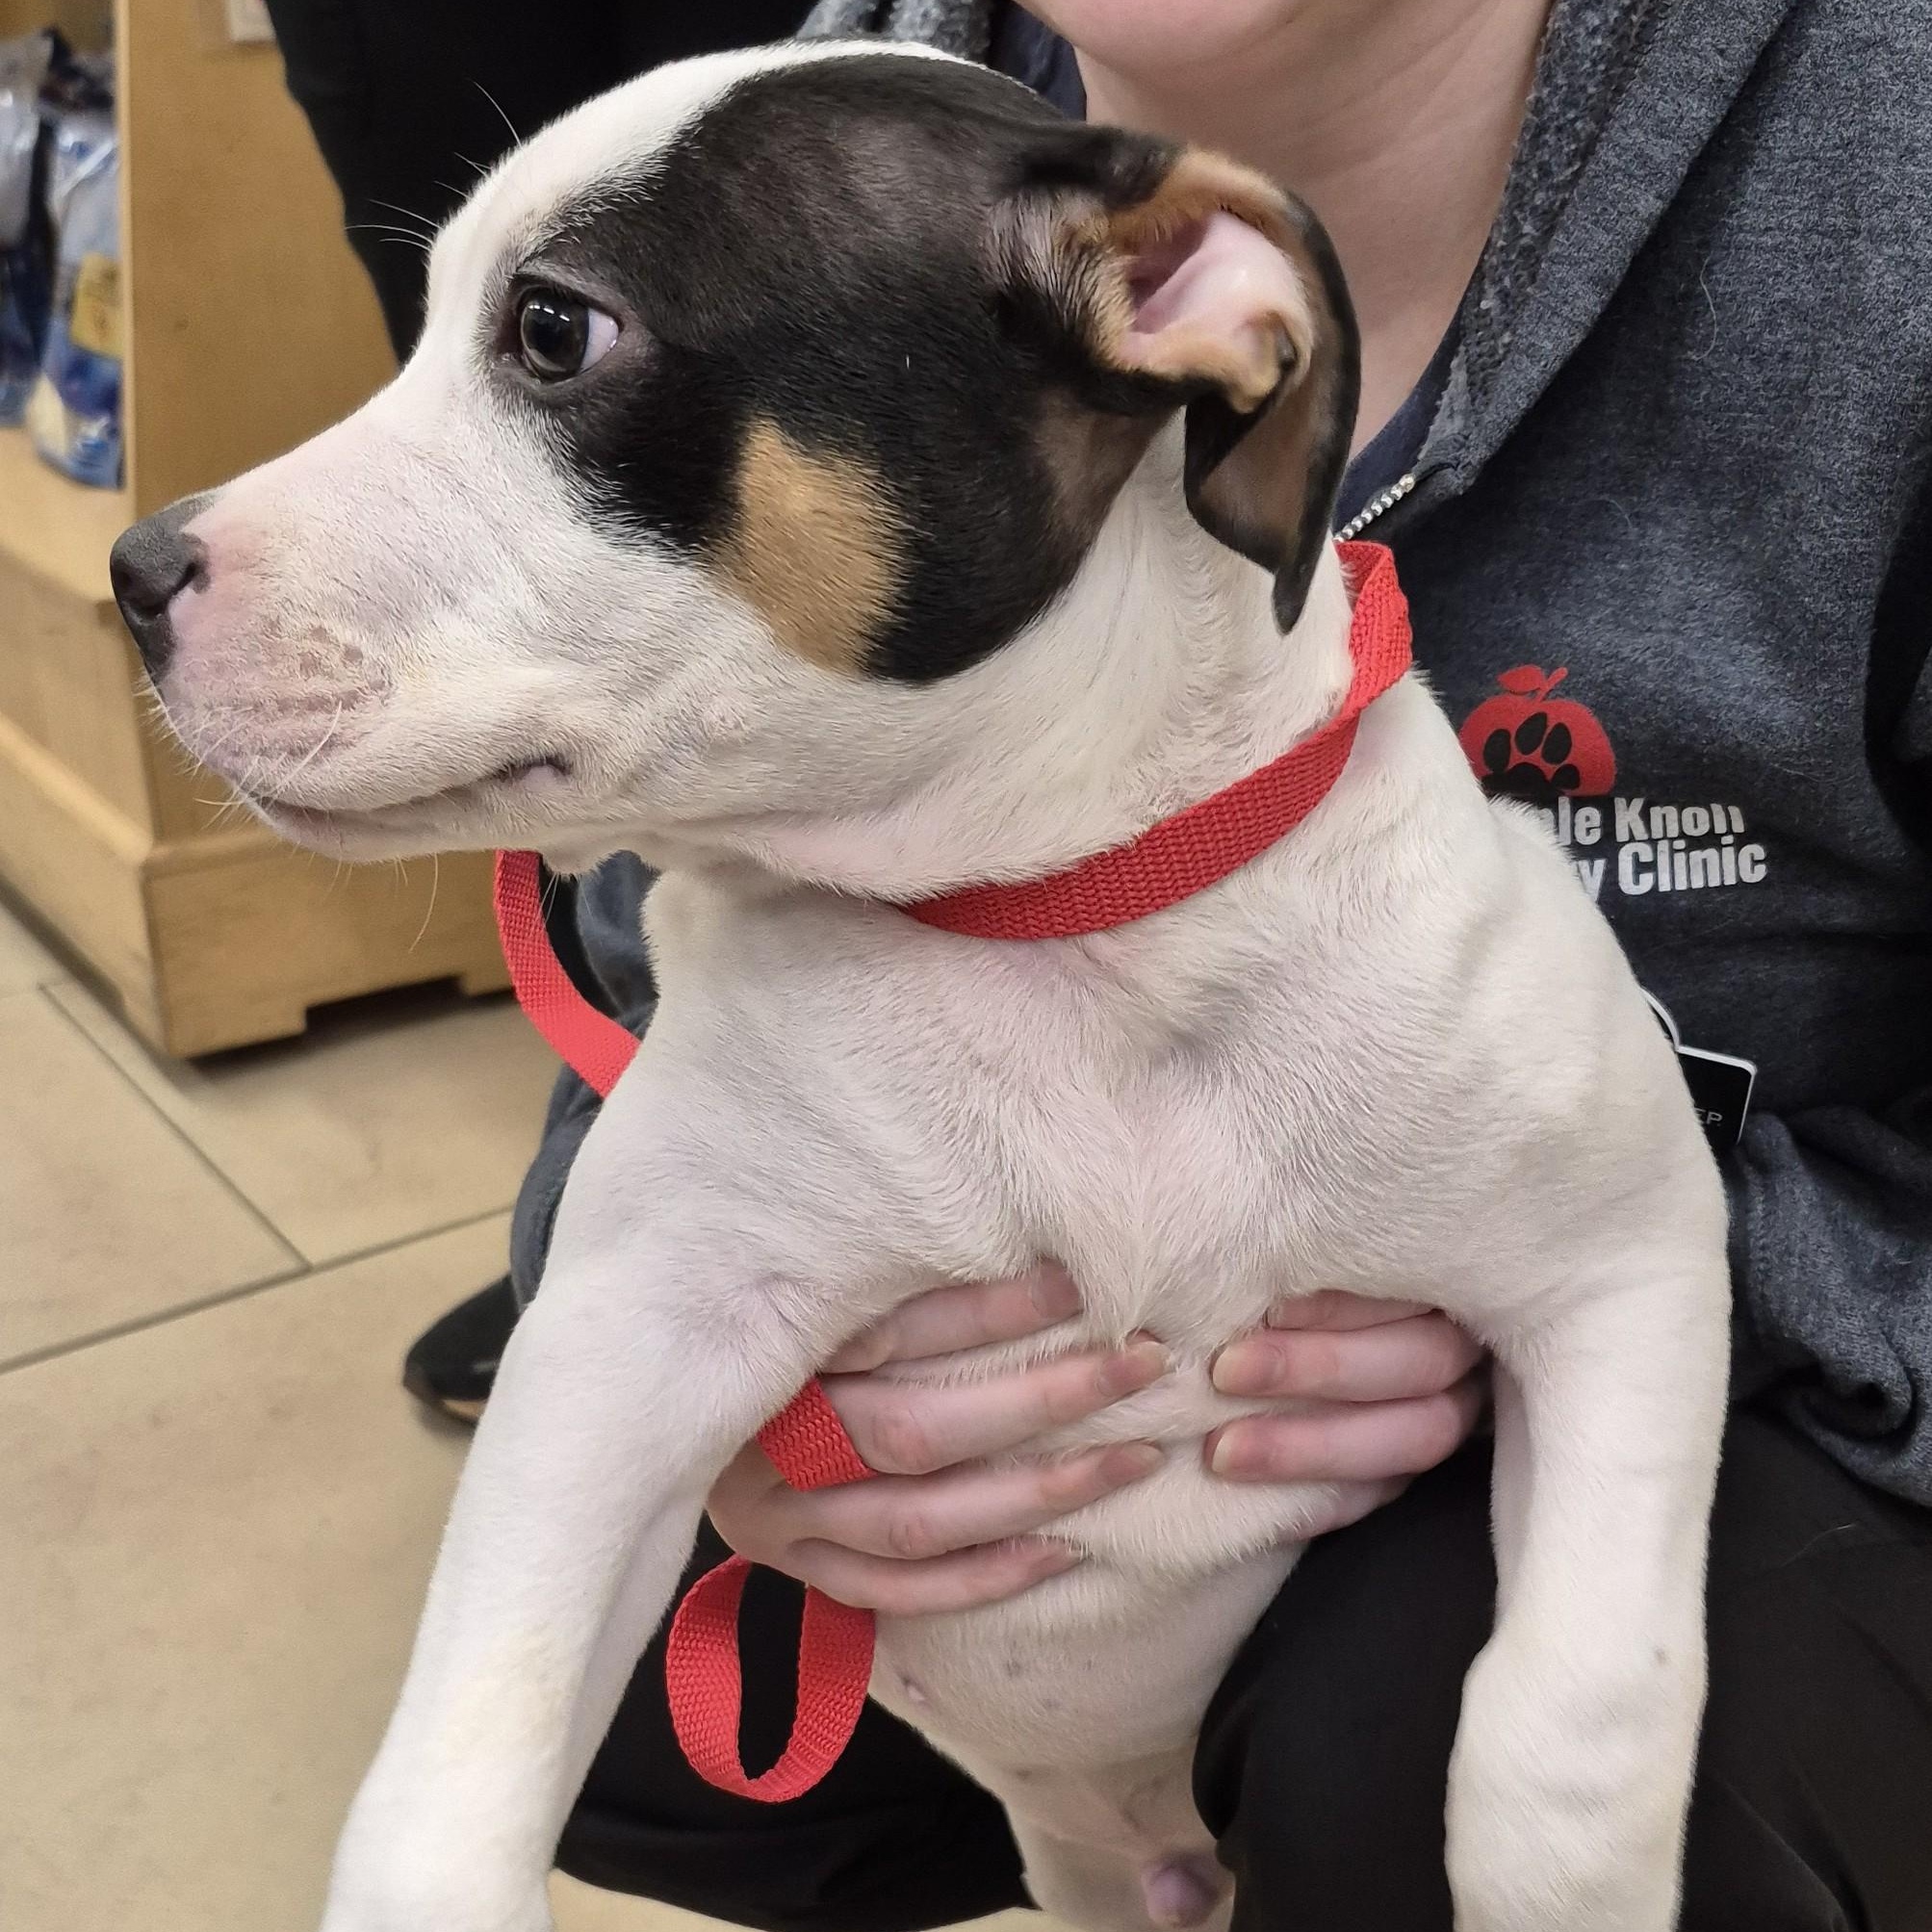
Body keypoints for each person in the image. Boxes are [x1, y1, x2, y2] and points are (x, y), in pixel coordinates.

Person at [272, 2, 1932, 1925]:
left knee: (1407, 1747)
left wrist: (1509, 1228)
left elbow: (1615, 1252)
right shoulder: (847, 100)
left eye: (555, 344)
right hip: (1067, 1591)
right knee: (623, 1644)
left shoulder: (1869, 162)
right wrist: (719, 1325)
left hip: (1807, 1399)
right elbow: (682, 861)